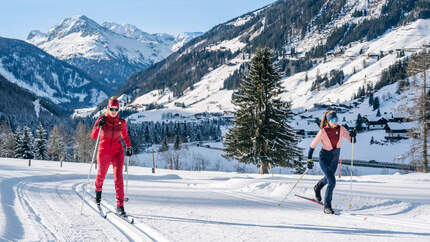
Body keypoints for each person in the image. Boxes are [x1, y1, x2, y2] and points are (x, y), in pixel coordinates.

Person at [306, 110, 356, 214]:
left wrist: (353, 135)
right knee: (332, 181)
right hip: (324, 158)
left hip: (334, 159)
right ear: (328, 121)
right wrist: (309, 159)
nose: (335, 121)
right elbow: (312, 146)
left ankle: (317, 187)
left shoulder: (341, 129)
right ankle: (327, 206)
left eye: (336, 119)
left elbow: (351, 140)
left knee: (328, 178)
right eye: (333, 120)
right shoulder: (323, 131)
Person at [91, 96, 132, 216]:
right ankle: (98, 193)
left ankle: (120, 205)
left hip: (117, 152)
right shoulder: (102, 119)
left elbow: (125, 136)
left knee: (118, 178)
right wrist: (99, 125)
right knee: (101, 175)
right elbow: (94, 136)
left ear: (119, 110)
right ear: (108, 108)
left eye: (116, 109)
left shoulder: (122, 122)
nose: (114, 111)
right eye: (112, 108)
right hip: (103, 151)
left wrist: (128, 146)